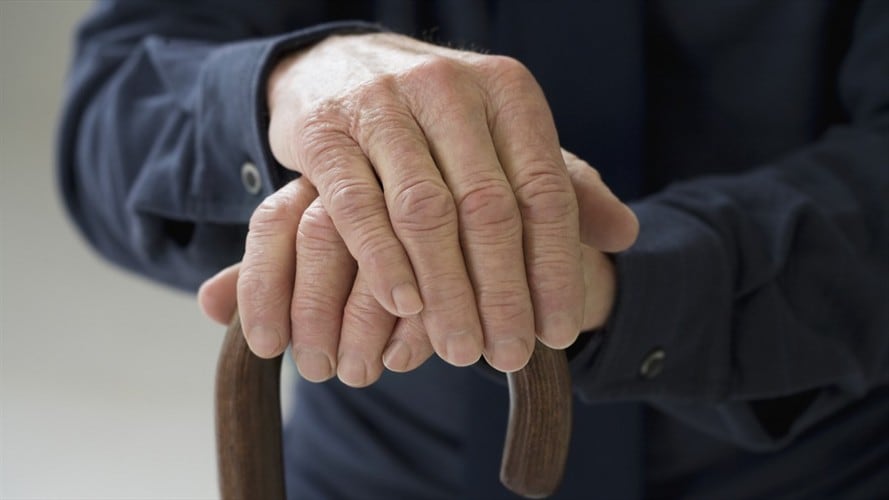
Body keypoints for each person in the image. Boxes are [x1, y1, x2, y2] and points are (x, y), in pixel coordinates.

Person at [58, 1, 888, 498]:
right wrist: (287, 84)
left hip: (813, 467)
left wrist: (600, 280)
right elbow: (113, 109)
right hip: (371, 470)